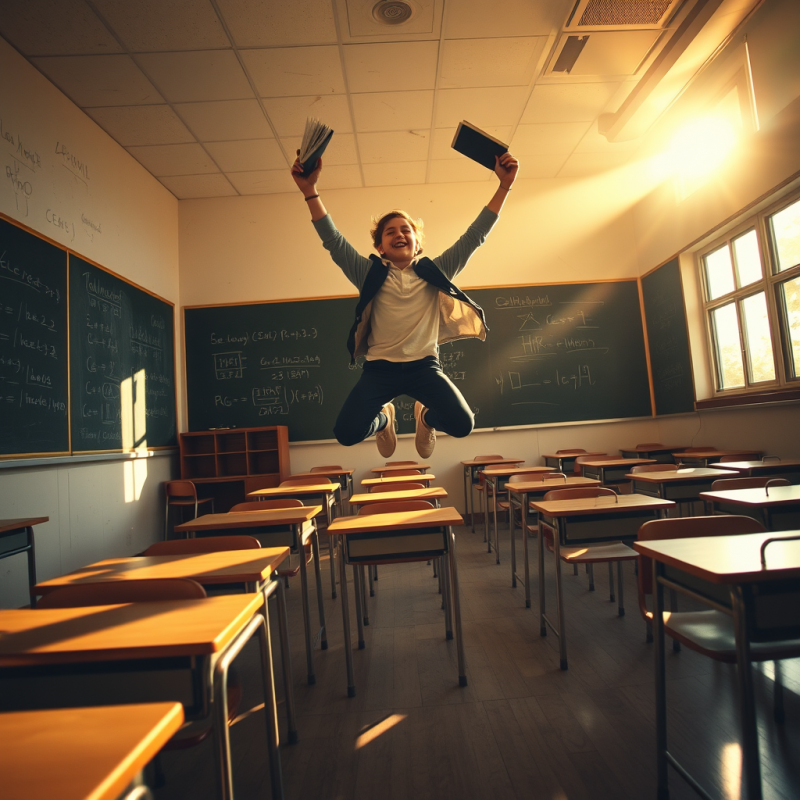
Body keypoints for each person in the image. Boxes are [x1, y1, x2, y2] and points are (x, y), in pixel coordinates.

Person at [291, 150, 519, 458]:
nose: (399, 234)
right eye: (390, 232)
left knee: (462, 424)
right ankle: (384, 420)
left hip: (424, 367)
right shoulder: (367, 273)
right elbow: (333, 241)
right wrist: (309, 191)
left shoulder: (436, 272)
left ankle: (425, 418)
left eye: (405, 230)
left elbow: (474, 236)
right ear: (380, 247)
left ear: (417, 243)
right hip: (379, 370)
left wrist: (504, 186)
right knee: (346, 433)